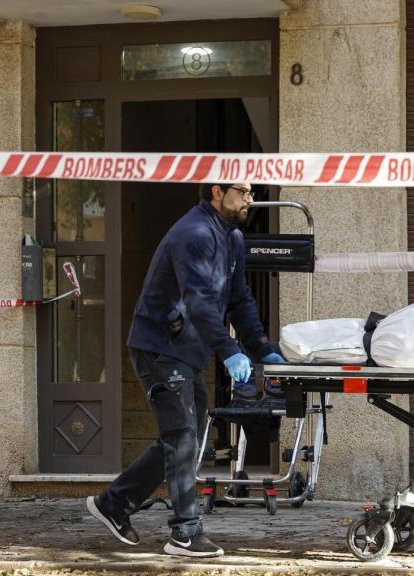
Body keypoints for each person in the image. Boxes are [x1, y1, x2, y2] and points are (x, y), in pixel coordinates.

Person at [85, 182, 285, 558]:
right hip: (160, 348)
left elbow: (239, 299)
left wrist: (259, 349)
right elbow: (197, 300)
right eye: (242, 192)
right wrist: (228, 350)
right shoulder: (193, 233)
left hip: (185, 353)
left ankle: (113, 504)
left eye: (252, 192)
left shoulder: (233, 238)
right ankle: (185, 533)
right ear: (216, 191)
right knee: (182, 438)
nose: (250, 199)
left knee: (185, 439)